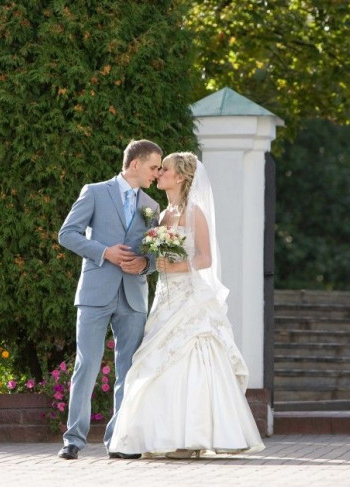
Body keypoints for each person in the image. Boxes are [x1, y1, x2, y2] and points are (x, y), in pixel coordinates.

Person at [108, 152, 264, 459]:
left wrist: (178, 265)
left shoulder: (195, 212)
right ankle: (162, 436)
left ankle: (191, 439)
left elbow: (205, 257)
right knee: (155, 362)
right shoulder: (162, 215)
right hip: (164, 297)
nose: (159, 174)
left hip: (188, 296)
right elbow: (157, 258)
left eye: (164, 169)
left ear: (179, 177)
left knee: (191, 360)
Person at [57, 139, 163, 460]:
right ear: (135, 165)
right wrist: (105, 252)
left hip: (133, 296)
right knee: (87, 364)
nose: (157, 174)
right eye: (153, 167)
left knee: (128, 370)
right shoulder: (95, 192)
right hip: (95, 293)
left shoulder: (152, 206)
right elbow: (67, 234)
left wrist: (145, 264)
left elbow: (157, 252)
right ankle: (73, 439)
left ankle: (118, 439)